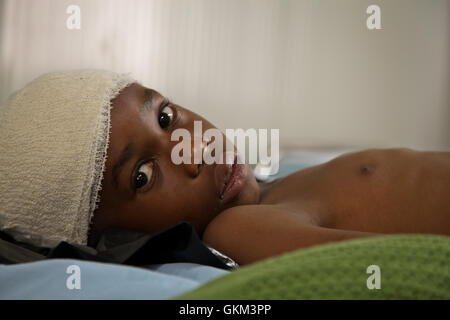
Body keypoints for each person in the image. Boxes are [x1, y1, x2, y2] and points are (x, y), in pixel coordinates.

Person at [1, 70, 449, 266]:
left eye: (164, 116)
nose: (191, 148)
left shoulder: (269, 190)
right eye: (142, 175)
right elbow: (395, 266)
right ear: (119, 242)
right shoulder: (237, 229)